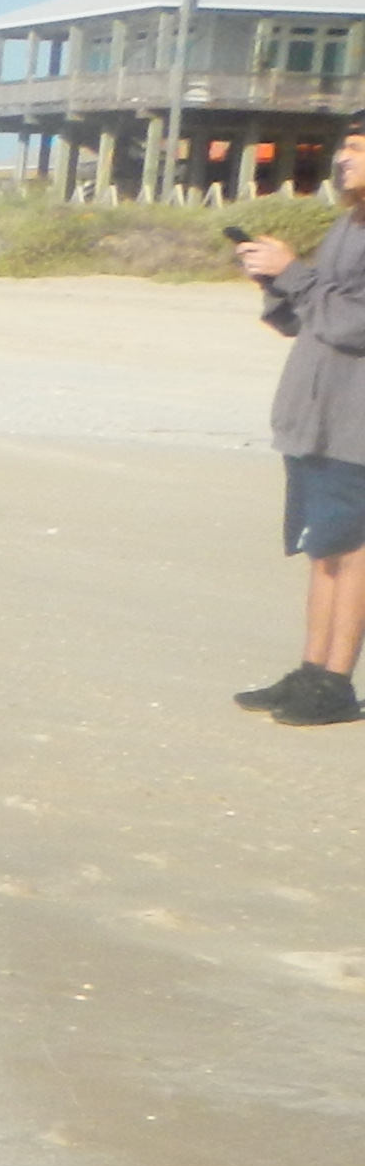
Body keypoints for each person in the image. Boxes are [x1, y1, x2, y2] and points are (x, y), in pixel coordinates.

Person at [235, 119, 365, 725]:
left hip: (355, 421)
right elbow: (309, 318)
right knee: (324, 548)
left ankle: (335, 682)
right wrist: (276, 282)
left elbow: (351, 324)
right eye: (345, 147)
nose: (343, 159)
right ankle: (312, 670)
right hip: (318, 416)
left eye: (357, 149)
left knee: (352, 549)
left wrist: (294, 274)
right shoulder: (349, 223)